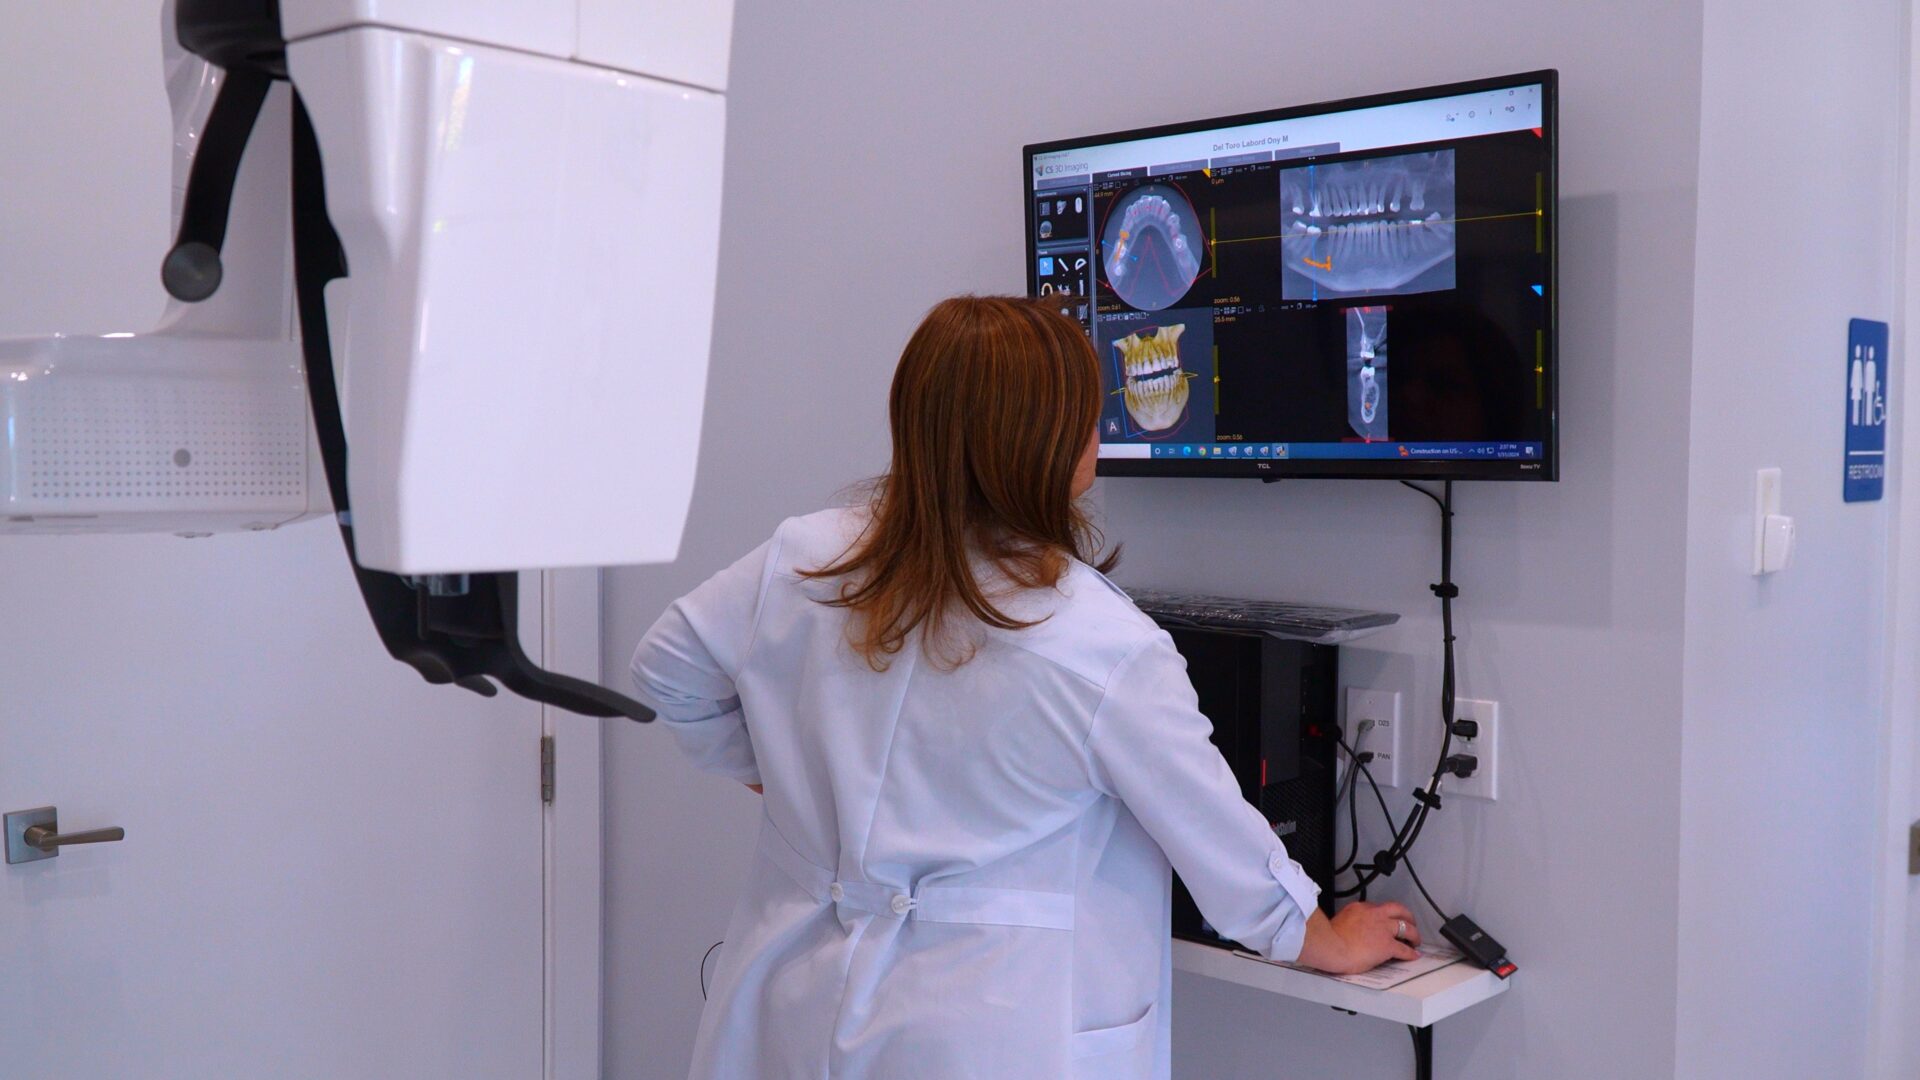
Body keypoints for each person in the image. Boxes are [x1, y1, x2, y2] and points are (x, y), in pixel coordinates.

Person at [631, 296, 1420, 1080]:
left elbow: (667, 668)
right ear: (1052, 445)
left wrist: (777, 780)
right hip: (983, 1036)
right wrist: (1325, 938)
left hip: (789, 1007)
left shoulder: (811, 557)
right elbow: (1217, 842)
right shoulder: (1099, 643)